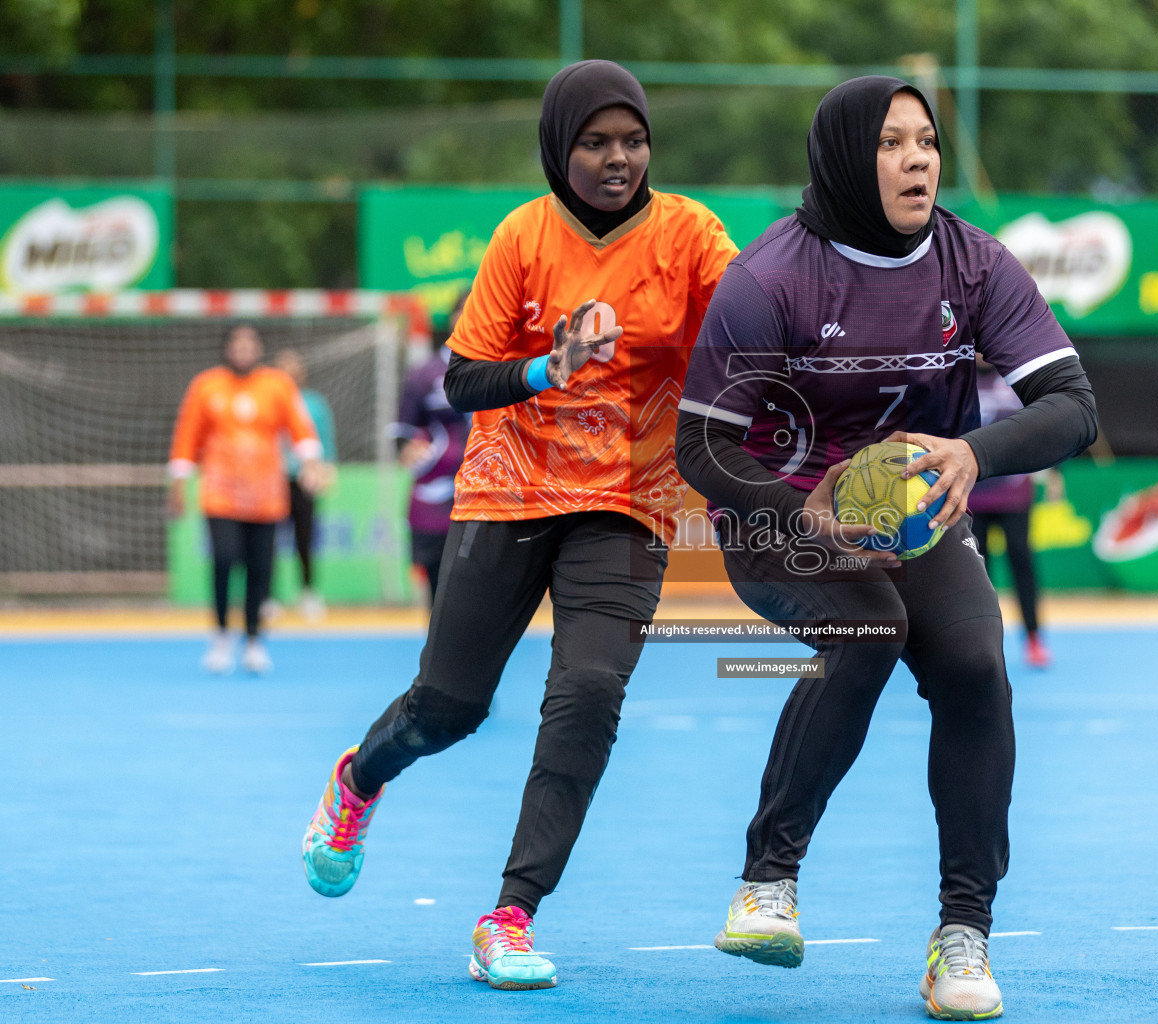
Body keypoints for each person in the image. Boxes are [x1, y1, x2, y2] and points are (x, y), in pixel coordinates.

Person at [299, 60, 739, 992]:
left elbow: (751, 314)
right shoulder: (523, 236)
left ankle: (509, 913)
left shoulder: (690, 233)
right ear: (559, 148)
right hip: (508, 493)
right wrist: (550, 366)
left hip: (628, 502)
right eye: (595, 142)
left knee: (587, 696)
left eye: (633, 139)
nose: (618, 158)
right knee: (448, 708)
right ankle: (359, 780)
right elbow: (462, 381)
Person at [675, 77, 1097, 1020]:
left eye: (928, 141)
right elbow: (700, 445)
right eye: (892, 142)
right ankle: (767, 882)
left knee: (978, 666)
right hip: (779, 519)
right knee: (868, 626)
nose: (918, 159)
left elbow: (1075, 408)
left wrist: (971, 453)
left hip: (914, 516)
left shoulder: (974, 264)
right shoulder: (770, 278)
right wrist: (799, 508)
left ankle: (963, 937)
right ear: (843, 159)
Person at [168, 325, 323, 675]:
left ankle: (254, 641)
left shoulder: (277, 385)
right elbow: (187, 437)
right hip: (220, 494)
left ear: (259, 348)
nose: (243, 349)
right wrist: (178, 482)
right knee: (224, 560)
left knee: (260, 569)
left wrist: (312, 463)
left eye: (249, 343)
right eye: (236, 342)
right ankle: (221, 635)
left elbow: (301, 428)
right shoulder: (206, 386)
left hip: (266, 496)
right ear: (226, 348)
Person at [392, 291, 472, 604]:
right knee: (439, 590)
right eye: (464, 310)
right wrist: (407, 450)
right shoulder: (424, 375)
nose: (470, 317)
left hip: (492, 496)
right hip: (438, 500)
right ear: (452, 317)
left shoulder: (507, 369)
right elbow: (401, 431)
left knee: (480, 591)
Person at [969, 363, 1050, 669]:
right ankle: (982, 644)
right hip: (971, 495)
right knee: (976, 573)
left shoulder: (1017, 378)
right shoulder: (955, 378)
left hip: (1014, 492)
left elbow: (1046, 425)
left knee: (1022, 562)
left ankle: (1034, 638)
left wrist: (1054, 469)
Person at [272, 348, 337, 621]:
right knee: (269, 541)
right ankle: (268, 596)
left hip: (304, 479)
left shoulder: (314, 404)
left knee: (305, 538)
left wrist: (325, 470)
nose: (290, 373)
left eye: (294, 367)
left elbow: (325, 441)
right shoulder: (268, 401)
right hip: (273, 479)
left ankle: (308, 592)